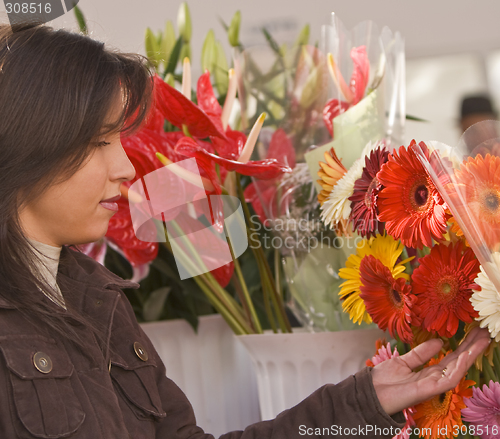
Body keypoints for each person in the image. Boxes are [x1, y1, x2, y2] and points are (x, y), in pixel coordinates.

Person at [0, 21, 491, 439]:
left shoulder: (98, 298)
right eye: (100, 141)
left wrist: (364, 404)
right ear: (29, 141)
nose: (127, 168)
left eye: (121, 140)